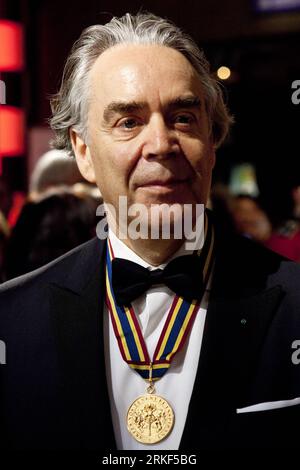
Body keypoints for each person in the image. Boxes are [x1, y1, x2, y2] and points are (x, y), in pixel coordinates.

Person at [1, 12, 300, 451]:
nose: (161, 144)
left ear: (212, 141)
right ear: (82, 151)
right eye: (128, 121)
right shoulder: (12, 322)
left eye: (182, 117)